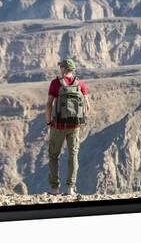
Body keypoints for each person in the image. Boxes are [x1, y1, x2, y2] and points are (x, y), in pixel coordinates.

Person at [44, 57, 90, 196]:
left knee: (53, 156)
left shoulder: (55, 83)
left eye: (61, 67)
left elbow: (48, 105)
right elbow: (87, 105)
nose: (60, 69)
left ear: (64, 68)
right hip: (74, 126)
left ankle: (54, 189)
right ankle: (70, 188)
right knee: (73, 155)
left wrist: (48, 122)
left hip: (58, 126)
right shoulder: (80, 84)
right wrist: (81, 122)